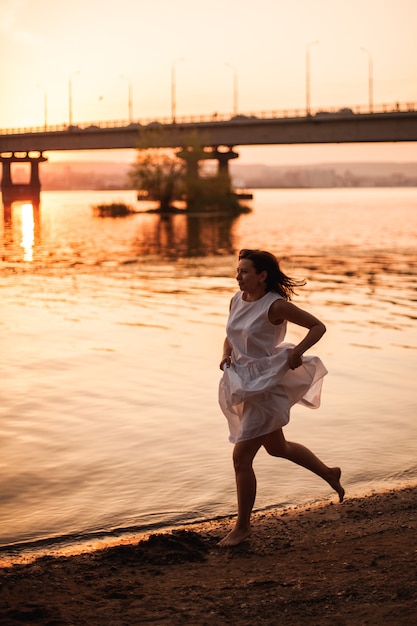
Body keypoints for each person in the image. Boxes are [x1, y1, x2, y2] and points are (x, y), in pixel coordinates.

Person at [218, 249, 344, 547]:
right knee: (277, 447)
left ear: (262, 276)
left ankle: (243, 527)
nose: (239, 276)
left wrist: (296, 353)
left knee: (241, 458)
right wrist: (225, 354)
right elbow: (231, 334)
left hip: (267, 385)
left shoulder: (275, 306)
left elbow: (318, 327)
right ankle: (329, 472)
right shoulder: (237, 299)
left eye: (245, 271)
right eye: (238, 271)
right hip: (243, 382)